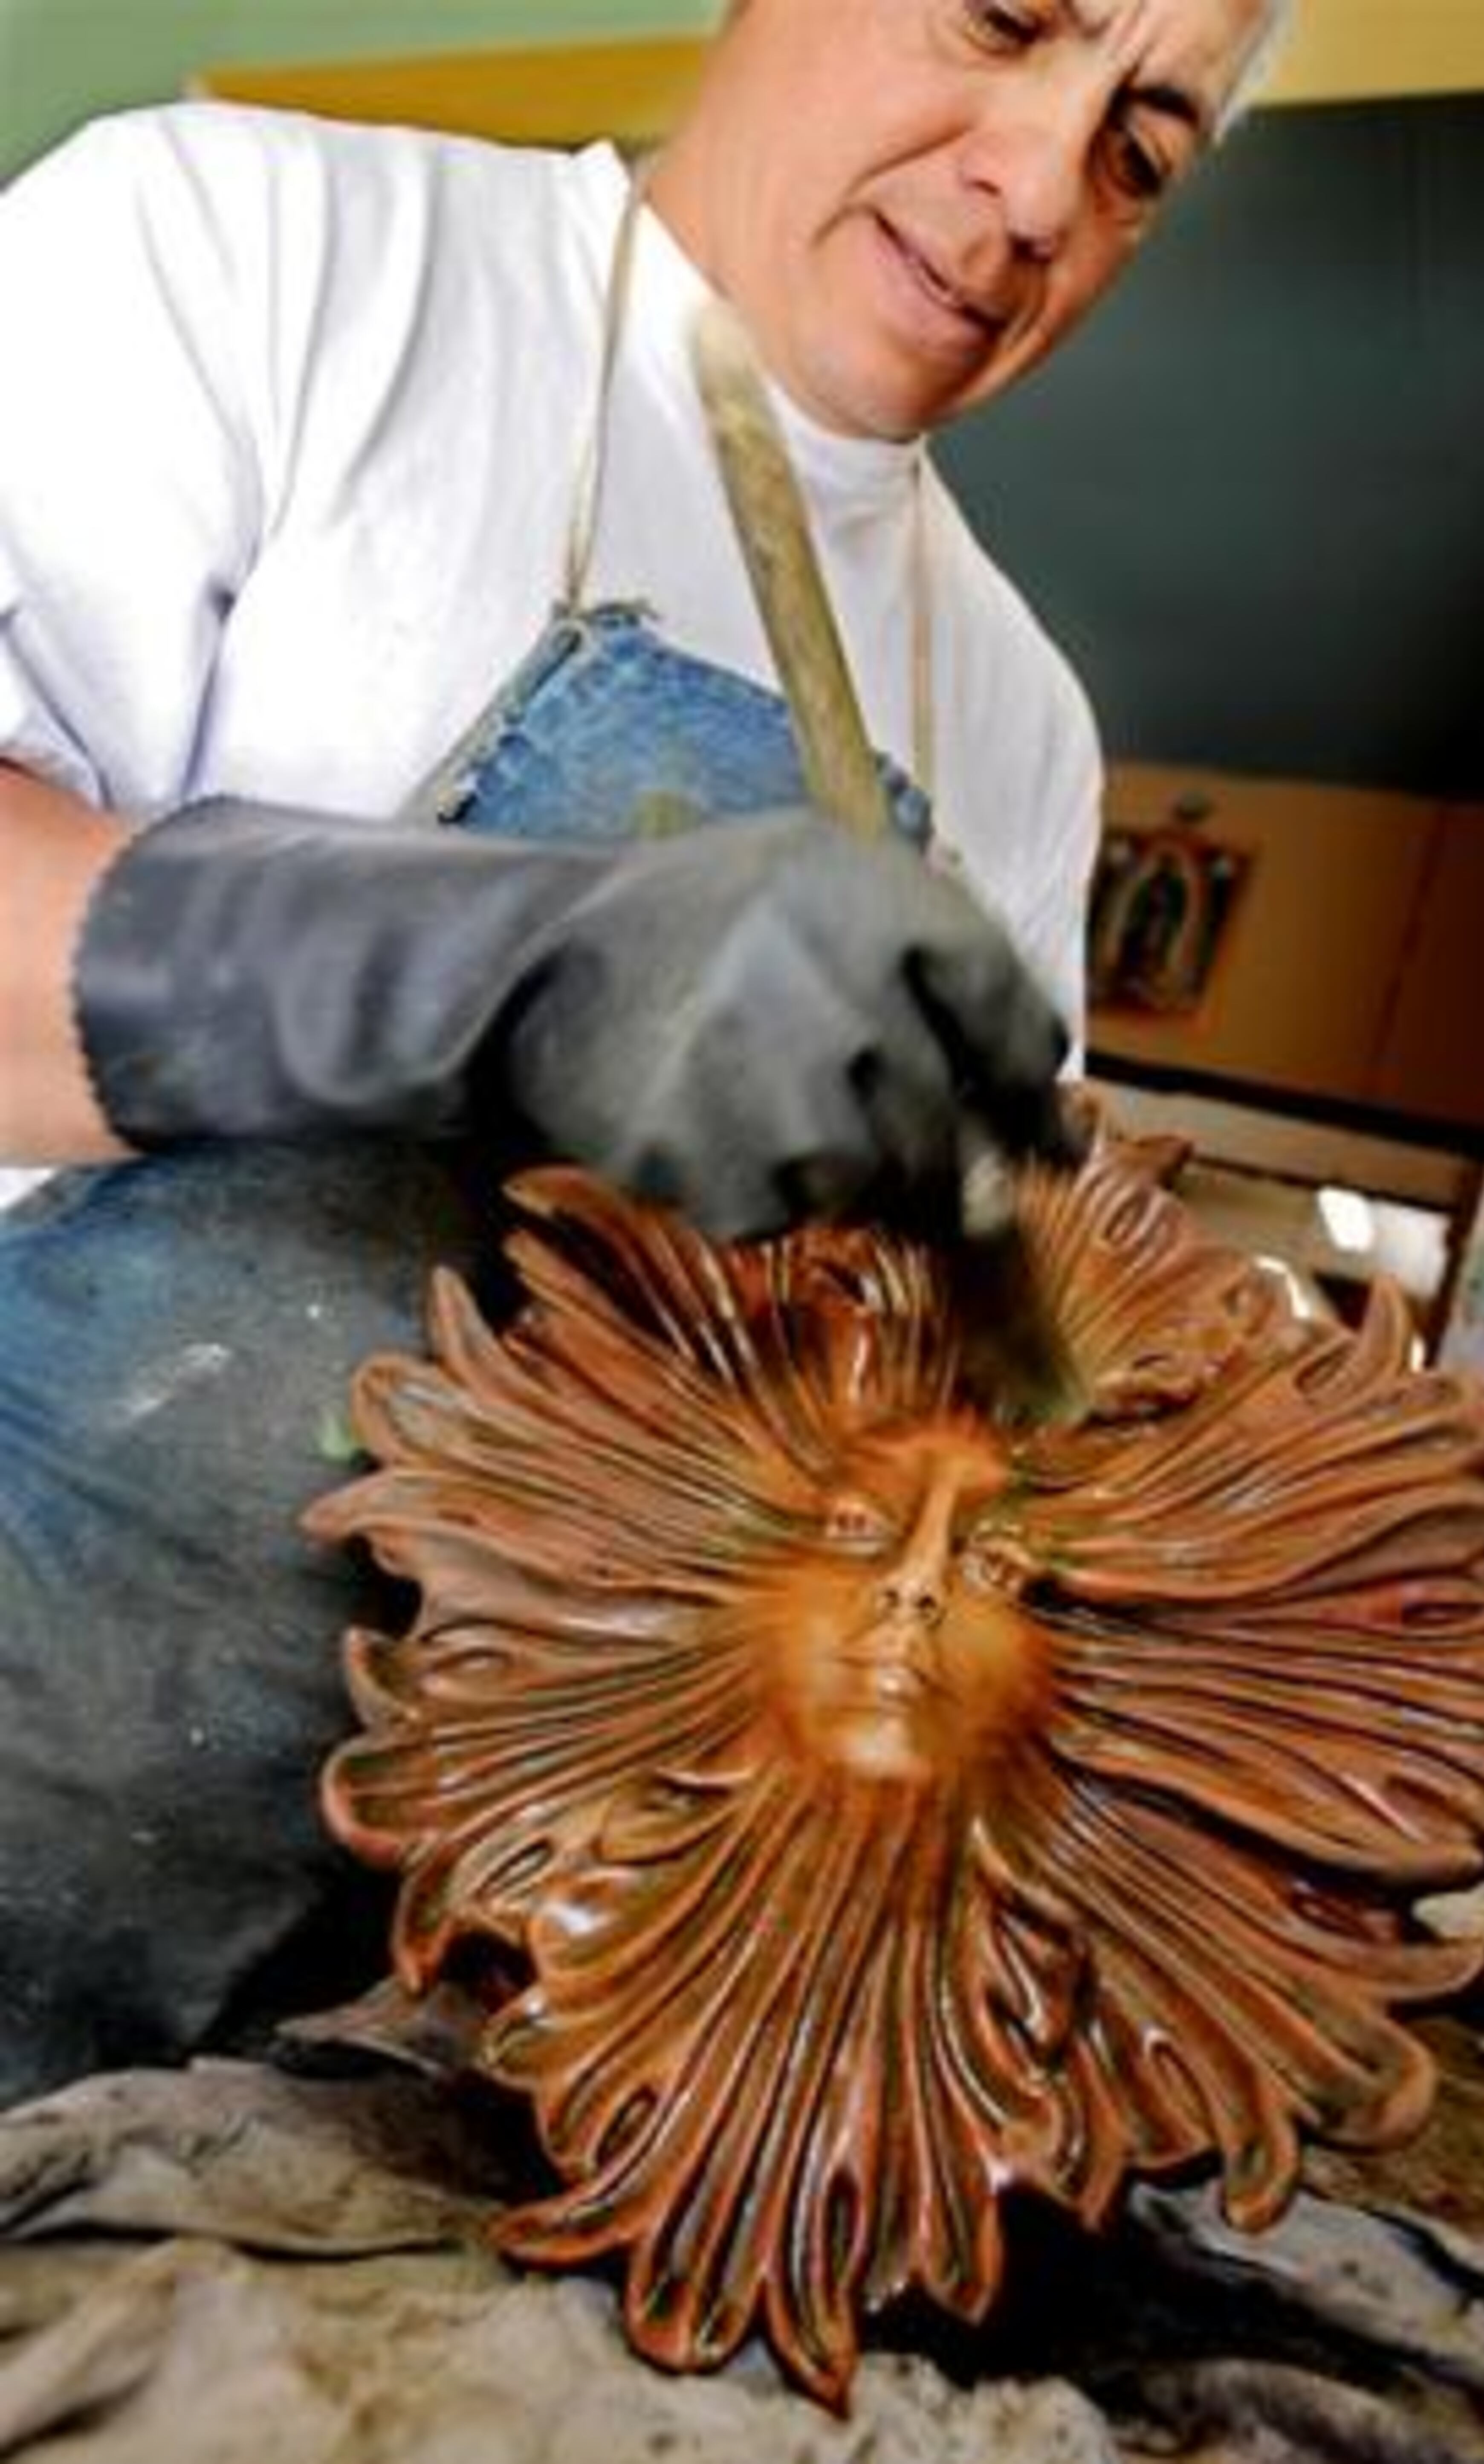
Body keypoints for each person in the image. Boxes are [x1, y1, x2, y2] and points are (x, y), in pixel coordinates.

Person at [0, 0, 1289, 2102]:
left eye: (1144, 140)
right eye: (1004, 21)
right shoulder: (260, 257)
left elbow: (981, 1341)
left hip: (479, 2023)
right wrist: (511, 968)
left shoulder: (1023, 730)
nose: (1041, 187)